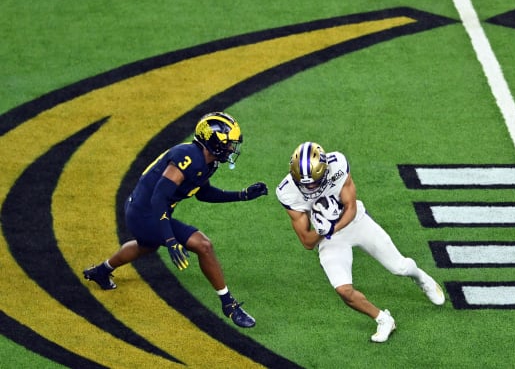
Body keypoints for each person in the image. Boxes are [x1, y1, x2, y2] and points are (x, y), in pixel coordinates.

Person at [83, 111, 267, 328]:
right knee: (204, 245)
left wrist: (242, 195)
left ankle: (101, 271)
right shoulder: (188, 157)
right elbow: (159, 197)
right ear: (213, 140)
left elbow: (203, 193)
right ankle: (229, 305)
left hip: (143, 211)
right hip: (146, 213)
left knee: (147, 246)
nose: (231, 149)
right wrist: (170, 239)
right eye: (228, 144)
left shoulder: (207, 162)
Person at [275, 141, 445, 343]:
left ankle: (421, 278)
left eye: (313, 182)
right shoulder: (287, 191)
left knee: (400, 267)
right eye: (303, 183)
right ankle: (384, 319)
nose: (308, 187)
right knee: (343, 290)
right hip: (330, 238)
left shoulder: (337, 165)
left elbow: (351, 208)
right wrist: (324, 230)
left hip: (356, 222)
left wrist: (332, 225)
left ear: (324, 170)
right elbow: (307, 241)